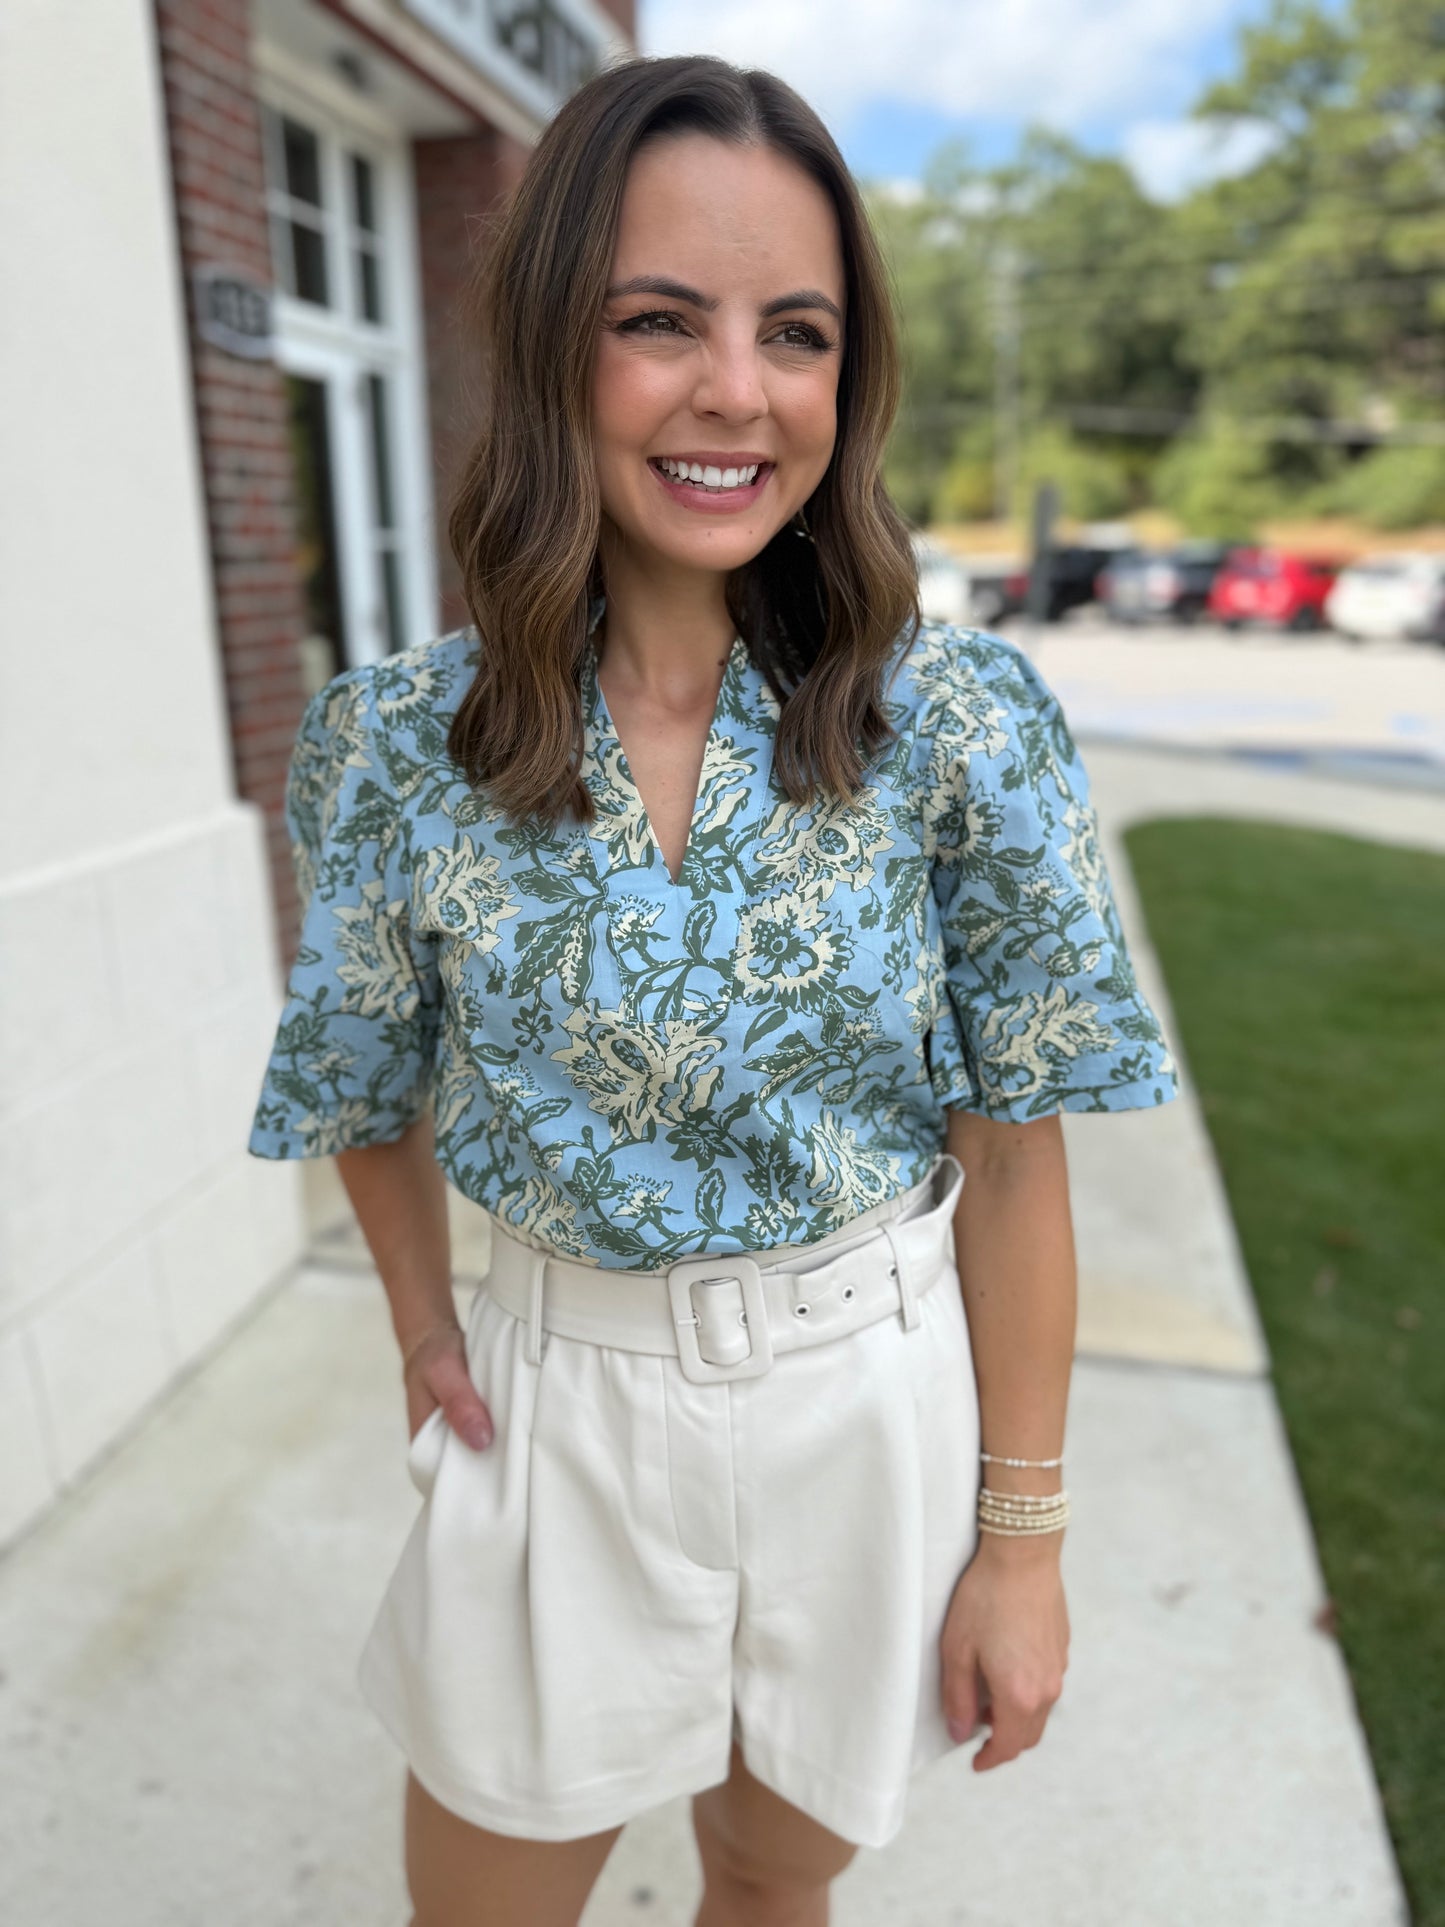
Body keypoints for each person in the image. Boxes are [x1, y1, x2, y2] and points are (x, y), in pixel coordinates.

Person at [248, 51, 1178, 1927]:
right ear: (547, 347)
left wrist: (1023, 1541)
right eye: (657, 321)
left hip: (865, 1407)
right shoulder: (396, 744)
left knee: (770, 1883)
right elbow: (358, 1084)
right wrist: (427, 1331)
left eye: (797, 332)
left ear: (851, 373)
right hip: (557, 1415)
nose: (736, 394)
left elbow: (1015, 1160)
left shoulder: (958, 727)